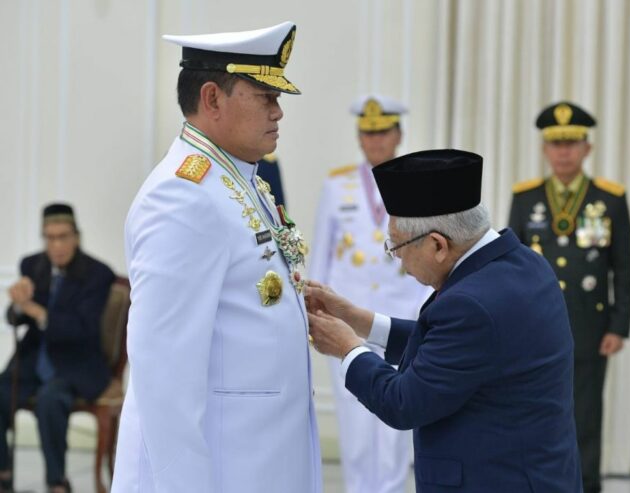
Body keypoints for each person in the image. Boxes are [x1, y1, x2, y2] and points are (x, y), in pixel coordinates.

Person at [112, 22, 322, 492]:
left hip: (258, 461)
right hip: (222, 469)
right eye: (264, 95)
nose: (278, 111)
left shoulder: (240, 179)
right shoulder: (181, 198)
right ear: (212, 98)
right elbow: (163, 377)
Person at [307, 149, 582, 492]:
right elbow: (456, 353)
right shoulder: (523, 263)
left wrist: (347, 348)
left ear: (437, 245)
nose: (400, 262)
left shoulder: (470, 304)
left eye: (397, 247)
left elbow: (403, 402)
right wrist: (357, 318)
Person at [508, 101, 630, 493]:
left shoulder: (609, 199)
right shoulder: (526, 198)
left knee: (586, 416)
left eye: (572, 143)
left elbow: (623, 268)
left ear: (587, 148)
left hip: (590, 327)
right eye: (556, 143)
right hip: (535, 328)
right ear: (545, 149)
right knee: (535, 414)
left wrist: (619, 325)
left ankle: (586, 486)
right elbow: (512, 267)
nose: (563, 151)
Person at [308, 94, 427, 493]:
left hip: (401, 312)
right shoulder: (337, 184)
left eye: (382, 134)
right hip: (349, 316)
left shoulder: (414, 182)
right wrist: (318, 311)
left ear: (399, 135)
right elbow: (322, 252)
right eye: (367, 134)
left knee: (395, 421)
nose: (374, 142)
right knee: (354, 417)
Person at [2, 203, 114, 493]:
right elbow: (16, 317)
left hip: (75, 364)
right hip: (33, 358)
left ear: (76, 236)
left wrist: (37, 311)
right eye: (50, 238)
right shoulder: (32, 265)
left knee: (51, 401)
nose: (57, 245)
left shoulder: (98, 274)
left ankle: (56, 482)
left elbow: (82, 329)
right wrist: (17, 304)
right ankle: (3, 473)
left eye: (63, 237)